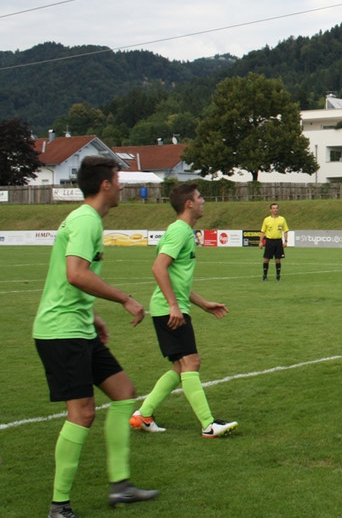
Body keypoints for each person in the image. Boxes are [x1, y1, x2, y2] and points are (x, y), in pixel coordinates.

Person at [32, 156, 158, 517]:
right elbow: (76, 273)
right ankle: (59, 505)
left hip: (79, 326)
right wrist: (124, 299)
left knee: (123, 393)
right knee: (82, 413)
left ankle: (121, 486)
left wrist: (93, 316)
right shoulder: (86, 219)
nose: (122, 187)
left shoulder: (86, 219)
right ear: (105, 185)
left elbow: (69, 280)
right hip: (61, 332)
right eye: (118, 180)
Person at [131, 183, 237, 439]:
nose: (203, 201)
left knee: (181, 366)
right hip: (169, 310)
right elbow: (159, 268)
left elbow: (177, 279)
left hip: (170, 307)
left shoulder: (184, 231)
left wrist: (203, 304)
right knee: (191, 362)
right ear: (189, 203)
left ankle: (144, 415)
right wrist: (173, 305)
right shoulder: (179, 231)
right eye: (199, 197)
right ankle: (209, 425)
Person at [259, 202, 289, 281]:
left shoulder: (282, 219)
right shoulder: (266, 220)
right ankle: (265, 276)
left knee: (278, 259)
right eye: (273, 208)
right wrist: (261, 242)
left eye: (276, 208)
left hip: (278, 241)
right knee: (266, 259)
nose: (275, 210)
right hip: (269, 241)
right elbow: (263, 231)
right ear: (270, 210)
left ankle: (278, 276)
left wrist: (286, 241)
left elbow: (285, 231)